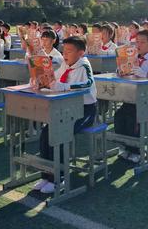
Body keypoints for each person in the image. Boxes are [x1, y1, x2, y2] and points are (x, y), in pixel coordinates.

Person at [34, 36, 97, 194]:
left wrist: (63, 86)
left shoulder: (84, 65)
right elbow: (54, 78)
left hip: (85, 111)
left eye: (69, 51)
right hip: (67, 109)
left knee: (59, 133)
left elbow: (87, 84)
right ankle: (46, 175)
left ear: (81, 53)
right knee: (45, 132)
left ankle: (58, 178)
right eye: (64, 50)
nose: (65, 54)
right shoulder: (65, 64)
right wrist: (42, 81)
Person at [114, 30, 148, 164]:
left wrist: (147, 75)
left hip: (145, 100)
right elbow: (121, 69)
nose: (138, 45)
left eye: (142, 42)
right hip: (131, 97)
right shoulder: (132, 56)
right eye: (137, 42)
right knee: (119, 116)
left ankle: (136, 150)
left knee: (133, 119)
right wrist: (120, 70)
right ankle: (125, 146)